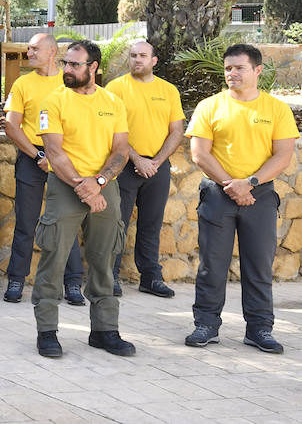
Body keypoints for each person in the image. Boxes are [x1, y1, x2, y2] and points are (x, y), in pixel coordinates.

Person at [184, 43, 299, 354]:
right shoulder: (210, 106)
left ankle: (260, 329)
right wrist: (230, 185)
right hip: (217, 194)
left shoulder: (276, 109)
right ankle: (206, 324)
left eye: (239, 68)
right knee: (212, 264)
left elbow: (283, 155)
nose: (231, 73)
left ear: (257, 71)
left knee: (259, 265)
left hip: (260, 195)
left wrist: (249, 183)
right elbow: (199, 154)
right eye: (228, 68)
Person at [32, 40, 134, 359]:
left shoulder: (113, 102)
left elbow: (121, 150)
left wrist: (100, 181)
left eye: (75, 65)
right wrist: (83, 186)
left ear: (93, 68)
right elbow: (54, 152)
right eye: (66, 63)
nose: (67, 69)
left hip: (104, 185)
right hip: (67, 185)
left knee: (105, 258)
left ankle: (104, 331)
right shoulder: (53, 102)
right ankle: (47, 331)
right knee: (54, 257)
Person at [3, 33, 85, 305]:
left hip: (66, 161)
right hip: (32, 159)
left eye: (35, 49)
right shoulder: (23, 83)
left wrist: (57, 157)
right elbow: (11, 126)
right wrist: (39, 153)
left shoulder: (70, 82)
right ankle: (16, 280)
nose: (29, 52)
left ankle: (73, 283)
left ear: (52, 51)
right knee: (26, 223)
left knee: (66, 222)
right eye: (29, 48)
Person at [105, 40, 184, 298]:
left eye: (142, 56)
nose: (137, 60)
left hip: (157, 167)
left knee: (151, 224)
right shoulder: (116, 88)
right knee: (118, 222)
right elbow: (111, 131)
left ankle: (150, 278)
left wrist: (156, 162)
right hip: (125, 165)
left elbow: (176, 131)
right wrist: (137, 160)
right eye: (133, 56)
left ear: (154, 61)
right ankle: (110, 277)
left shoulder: (169, 90)